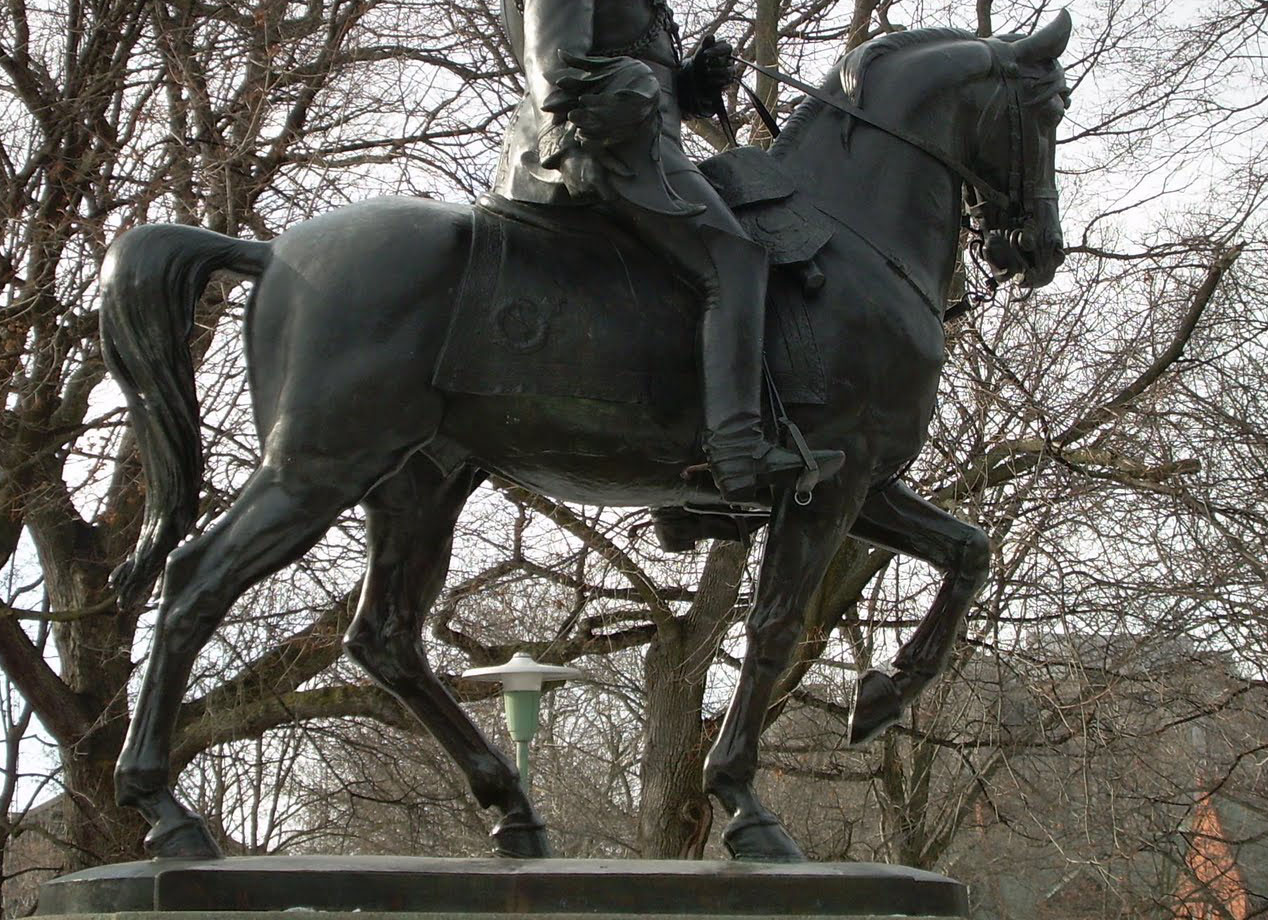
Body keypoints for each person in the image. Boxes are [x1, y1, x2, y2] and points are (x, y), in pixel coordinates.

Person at [493, 0, 843, 504]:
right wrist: (567, 144)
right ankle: (738, 449)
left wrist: (697, 81)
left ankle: (684, 486)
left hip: (648, 148)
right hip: (609, 148)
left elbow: (659, 85)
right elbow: (553, 58)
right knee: (733, 261)